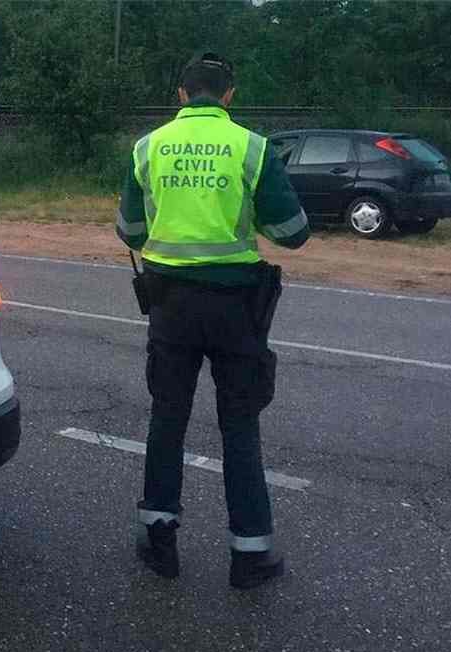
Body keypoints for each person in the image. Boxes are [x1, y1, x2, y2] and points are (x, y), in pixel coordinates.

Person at [116, 52, 309, 589]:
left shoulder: (147, 147)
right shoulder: (252, 146)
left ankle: (159, 538)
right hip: (235, 308)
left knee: (168, 416)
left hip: (170, 305)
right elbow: (293, 231)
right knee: (239, 424)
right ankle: (251, 553)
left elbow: (129, 229)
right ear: (229, 96)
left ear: (181, 94)